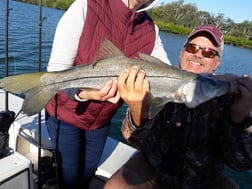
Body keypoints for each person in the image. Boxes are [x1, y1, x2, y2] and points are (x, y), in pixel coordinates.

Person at [104, 24, 252, 189]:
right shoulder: (154, 79)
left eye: (209, 53)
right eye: (191, 48)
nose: (197, 55)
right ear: (182, 53)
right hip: (152, 166)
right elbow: (134, 139)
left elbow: (241, 164)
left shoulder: (228, 95)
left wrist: (240, 116)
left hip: (204, 178)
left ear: (217, 63)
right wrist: (138, 108)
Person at [44, 0, 170, 188]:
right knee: (68, 178)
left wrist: (199, 81)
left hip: (101, 123)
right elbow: (56, 71)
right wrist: (85, 94)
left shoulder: (151, 30)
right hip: (65, 113)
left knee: (87, 174)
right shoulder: (87, 5)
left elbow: (168, 74)